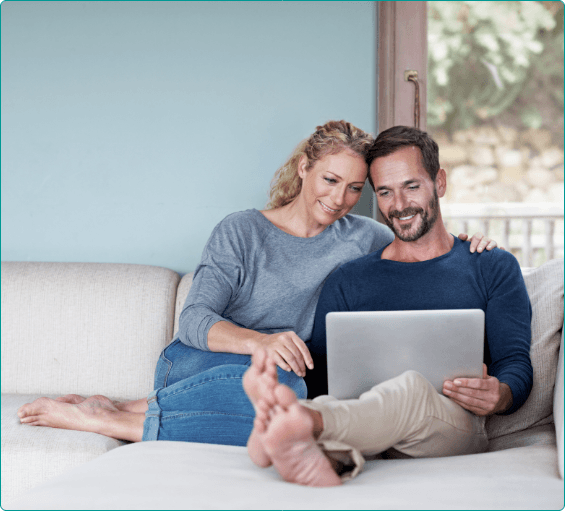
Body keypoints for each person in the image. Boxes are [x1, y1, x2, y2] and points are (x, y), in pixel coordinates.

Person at [17, 122, 497, 447]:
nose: (339, 199)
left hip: (287, 381)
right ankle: (118, 421)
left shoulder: (365, 238)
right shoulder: (242, 231)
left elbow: (419, 246)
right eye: (330, 179)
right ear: (304, 167)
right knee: (289, 389)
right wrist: (263, 343)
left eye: (354, 188)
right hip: (196, 365)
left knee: (303, 396)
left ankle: (124, 407)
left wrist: (467, 244)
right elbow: (194, 320)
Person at [244, 125, 533, 486]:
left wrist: (501, 394)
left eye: (411, 186)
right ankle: (324, 453)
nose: (399, 206)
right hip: (370, 423)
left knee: (409, 390)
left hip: (452, 427)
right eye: (385, 192)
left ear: (439, 183)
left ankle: (303, 422)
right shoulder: (348, 279)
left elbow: (515, 363)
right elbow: (322, 376)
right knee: (362, 408)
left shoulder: (490, 264)